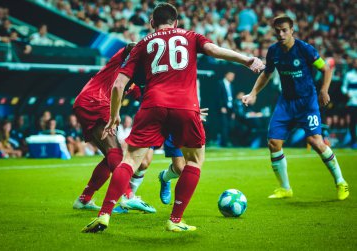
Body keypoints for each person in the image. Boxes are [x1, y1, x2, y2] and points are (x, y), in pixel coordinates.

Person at [82, 2, 264, 233]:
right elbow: (216, 51)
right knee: (194, 161)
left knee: (130, 160)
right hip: (185, 106)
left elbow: (118, 85)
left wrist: (114, 116)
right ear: (176, 22)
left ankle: (104, 214)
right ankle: (175, 220)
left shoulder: (142, 44)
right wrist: (247, 60)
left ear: (151, 23)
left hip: (153, 105)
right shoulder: (190, 36)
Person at [242, 15, 349, 200]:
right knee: (273, 143)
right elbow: (266, 74)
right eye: (278, 31)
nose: (281, 34)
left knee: (316, 141)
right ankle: (285, 188)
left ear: (292, 30)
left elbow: (326, 69)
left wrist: (324, 90)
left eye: (284, 30)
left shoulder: (305, 49)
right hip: (286, 103)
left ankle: (341, 182)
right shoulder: (274, 51)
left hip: (307, 102)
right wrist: (253, 93)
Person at [72, 43, 155, 213]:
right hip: (94, 101)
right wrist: (149, 48)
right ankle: (127, 195)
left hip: (94, 105)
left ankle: (84, 199)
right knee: (115, 152)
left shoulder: (133, 83)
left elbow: (148, 96)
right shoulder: (121, 61)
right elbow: (130, 47)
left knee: (111, 156)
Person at [342, 58, 357, 149]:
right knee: (352, 123)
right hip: (352, 103)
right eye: (355, 62)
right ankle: (354, 142)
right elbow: (343, 87)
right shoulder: (349, 75)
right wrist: (346, 93)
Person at [218, 71, 235, 147]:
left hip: (230, 108)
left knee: (230, 125)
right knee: (224, 125)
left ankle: (227, 141)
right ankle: (223, 143)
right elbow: (218, 96)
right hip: (223, 108)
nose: (232, 78)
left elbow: (232, 97)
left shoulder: (231, 85)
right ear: (226, 75)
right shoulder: (220, 83)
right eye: (231, 76)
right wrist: (221, 106)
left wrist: (233, 111)